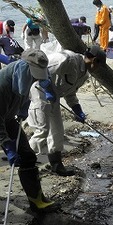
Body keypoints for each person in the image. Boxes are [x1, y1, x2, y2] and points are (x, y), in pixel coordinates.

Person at [27, 45, 106, 176]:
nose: (97, 69)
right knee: (42, 130)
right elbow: (40, 69)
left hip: (54, 96)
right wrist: (47, 87)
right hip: (39, 91)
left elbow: (70, 93)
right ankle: (24, 162)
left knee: (57, 132)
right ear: (94, 60)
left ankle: (56, 165)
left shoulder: (84, 75)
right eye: (98, 65)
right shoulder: (67, 59)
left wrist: (77, 109)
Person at [0, 49, 60, 213]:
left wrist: (23, 107)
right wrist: (7, 144)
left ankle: (36, 201)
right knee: (13, 150)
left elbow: (25, 92)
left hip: (7, 118)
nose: (35, 78)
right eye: (33, 75)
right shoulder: (4, 83)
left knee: (27, 156)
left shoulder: (25, 74)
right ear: (23, 67)